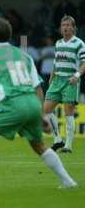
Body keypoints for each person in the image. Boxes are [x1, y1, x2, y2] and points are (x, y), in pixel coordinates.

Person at [0, 17, 77, 189]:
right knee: (39, 145)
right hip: (32, 102)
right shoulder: (25, 56)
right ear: (10, 35)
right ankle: (68, 181)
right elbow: (38, 88)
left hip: (12, 104)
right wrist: (42, 114)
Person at [44, 15, 85, 153]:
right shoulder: (58, 43)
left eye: (68, 25)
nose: (66, 27)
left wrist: (77, 75)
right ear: (60, 28)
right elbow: (56, 63)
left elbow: (84, 63)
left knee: (68, 113)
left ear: (73, 28)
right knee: (46, 109)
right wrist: (51, 77)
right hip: (57, 80)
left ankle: (68, 145)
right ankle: (57, 139)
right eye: (63, 25)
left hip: (70, 80)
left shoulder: (79, 43)